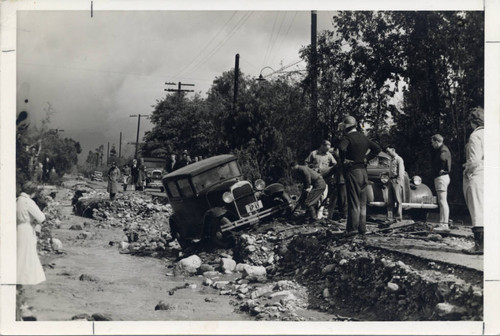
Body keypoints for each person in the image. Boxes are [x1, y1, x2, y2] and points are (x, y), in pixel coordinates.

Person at [339, 116, 381, 235]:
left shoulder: (347, 137)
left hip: (353, 172)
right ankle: (362, 228)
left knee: (353, 202)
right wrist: (367, 158)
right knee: (363, 203)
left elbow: (342, 149)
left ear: (346, 127)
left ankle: (352, 229)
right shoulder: (364, 137)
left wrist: (344, 161)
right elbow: (377, 149)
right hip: (364, 173)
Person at [462, 107, 484, 255]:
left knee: (477, 209)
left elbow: (474, 161)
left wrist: (466, 170)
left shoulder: (475, 136)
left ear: (472, 122)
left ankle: (479, 246)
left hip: (478, 176)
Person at [17, 182, 46, 285]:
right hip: (26, 229)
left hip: (17, 228)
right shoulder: (28, 202)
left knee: (19, 253)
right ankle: (25, 279)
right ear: (32, 192)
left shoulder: (17, 200)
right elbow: (41, 218)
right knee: (27, 254)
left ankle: (17, 277)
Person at [305, 140, 336, 219]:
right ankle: (310, 214)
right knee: (312, 195)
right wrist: (311, 168)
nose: (327, 151)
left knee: (324, 196)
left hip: (325, 179)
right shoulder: (314, 153)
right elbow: (306, 163)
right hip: (314, 179)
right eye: (326, 149)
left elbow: (335, 165)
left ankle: (320, 214)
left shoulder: (329, 155)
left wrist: (328, 170)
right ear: (322, 146)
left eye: (328, 150)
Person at [431, 134, 452, 233]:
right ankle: (443, 223)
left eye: (432, 142)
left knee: (443, 201)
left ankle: (444, 224)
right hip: (442, 178)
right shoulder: (443, 149)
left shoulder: (442, 150)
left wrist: (443, 169)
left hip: (441, 178)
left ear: (436, 141)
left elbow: (443, 159)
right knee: (442, 201)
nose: (432, 144)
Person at [385, 144, 405, 222]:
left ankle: (398, 218)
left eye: (388, 151)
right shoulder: (391, 160)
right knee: (390, 201)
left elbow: (401, 172)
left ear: (393, 149)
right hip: (390, 181)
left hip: (396, 181)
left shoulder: (399, 159)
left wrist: (398, 181)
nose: (387, 153)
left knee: (398, 200)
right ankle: (390, 218)